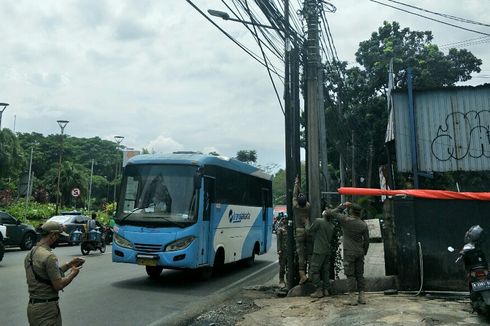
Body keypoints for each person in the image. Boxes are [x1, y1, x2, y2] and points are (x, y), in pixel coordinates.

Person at [25, 221, 85, 325]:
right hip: (47, 310)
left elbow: (46, 275)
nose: (59, 239)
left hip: (33, 308)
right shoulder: (49, 256)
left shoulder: (31, 252)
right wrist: (73, 274)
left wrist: (69, 264)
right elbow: (58, 285)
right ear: (52, 235)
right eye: (58, 236)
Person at [324, 202, 370, 305]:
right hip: (359, 252)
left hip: (349, 252)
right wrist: (364, 251)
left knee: (350, 275)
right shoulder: (363, 225)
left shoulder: (345, 220)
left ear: (351, 211)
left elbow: (330, 213)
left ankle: (352, 298)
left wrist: (342, 206)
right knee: (359, 275)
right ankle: (362, 297)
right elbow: (367, 241)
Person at [304, 211, 334, 298]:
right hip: (327, 250)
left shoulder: (319, 221)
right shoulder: (331, 226)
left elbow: (309, 231)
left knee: (314, 270)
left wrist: (306, 223)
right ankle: (326, 290)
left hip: (318, 250)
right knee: (325, 271)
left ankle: (318, 290)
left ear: (324, 215)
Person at [292, 175, 311, 284]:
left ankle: (302, 275)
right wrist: (300, 187)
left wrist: (296, 184)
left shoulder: (296, 206)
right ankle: (312, 273)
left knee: (301, 254)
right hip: (308, 231)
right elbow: (302, 198)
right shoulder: (308, 206)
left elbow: (295, 195)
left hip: (299, 231)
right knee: (309, 253)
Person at [276, 218, 288, 288]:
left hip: (289, 251)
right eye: (284, 221)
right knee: (282, 266)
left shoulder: (290, 229)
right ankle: (281, 280)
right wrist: (279, 250)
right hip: (283, 251)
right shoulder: (280, 230)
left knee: (289, 266)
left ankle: (288, 280)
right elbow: (278, 241)